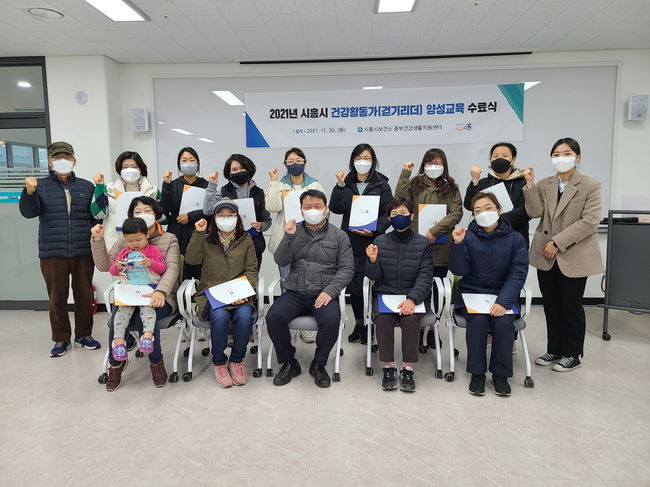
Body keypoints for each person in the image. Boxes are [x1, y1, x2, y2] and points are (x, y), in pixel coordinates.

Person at [523, 138, 603, 372]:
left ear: (578, 157)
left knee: (571, 306)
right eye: (556, 154)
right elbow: (535, 212)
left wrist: (557, 243)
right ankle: (554, 349)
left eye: (566, 153)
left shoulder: (590, 185)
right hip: (545, 255)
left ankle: (572, 354)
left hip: (573, 254)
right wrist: (530, 185)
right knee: (551, 305)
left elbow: (590, 221)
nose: (561, 158)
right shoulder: (545, 184)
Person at [19, 141, 101, 357]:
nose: (62, 161)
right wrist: (28, 191)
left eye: (66, 157)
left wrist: (97, 231)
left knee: (84, 295)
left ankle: (84, 334)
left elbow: (95, 216)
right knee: (57, 297)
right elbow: (28, 213)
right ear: (50, 162)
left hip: (83, 249)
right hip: (52, 250)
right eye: (57, 157)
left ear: (74, 160)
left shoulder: (86, 187)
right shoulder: (39, 186)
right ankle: (61, 338)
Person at [265, 189, 354, 388]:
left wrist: (330, 291)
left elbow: (347, 269)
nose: (312, 210)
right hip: (295, 292)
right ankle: (289, 362)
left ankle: (319, 364)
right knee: (273, 317)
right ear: (301, 210)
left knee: (331, 320)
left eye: (317, 206)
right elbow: (280, 260)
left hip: (323, 292)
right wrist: (288, 237)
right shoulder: (293, 230)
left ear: (326, 209)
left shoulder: (339, 236)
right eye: (308, 207)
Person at [91, 196, 180, 391]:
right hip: (130, 294)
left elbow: (172, 268)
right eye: (137, 212)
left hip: (158, 294)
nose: (143, 214)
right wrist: (98, 240)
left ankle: (156, 362)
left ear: (156, 214)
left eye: (147, 210)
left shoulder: (169, 239)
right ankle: (116, 364)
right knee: (117, 315)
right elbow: (105, 266)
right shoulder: (125, 240)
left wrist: (161, 292)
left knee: (143, 318)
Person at [449, 192, 528, 397]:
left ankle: (501, 375)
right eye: (477, 210)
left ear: (499, 210)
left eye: (488, 208)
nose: (483, 213)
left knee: (503, 323)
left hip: (503, 295)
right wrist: (457, 244)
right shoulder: (467, 236)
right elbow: (459, 270)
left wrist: (503, 302)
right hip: (472, 294)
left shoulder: (516, 238)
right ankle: (477, 373)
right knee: (478, 321)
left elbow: (518, 273)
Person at [185, 200, 258, 388]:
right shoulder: (206, 239)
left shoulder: (245, 239)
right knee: (220, 316)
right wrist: (198, 233)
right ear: (214, 218)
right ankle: (219, 363)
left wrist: (245, 292)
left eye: (230, 215)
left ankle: (236, 361)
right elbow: (192, 260)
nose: (226, 219)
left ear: (237, 218)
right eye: (221, 215)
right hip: (212, 295)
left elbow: (251, 270)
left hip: (239, 294)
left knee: (245, 315)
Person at [395, 148, 463, 347]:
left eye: (438, 163)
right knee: (416, 287)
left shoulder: (451, 187)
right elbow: (399, 200)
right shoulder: (415, 183)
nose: (434, 167)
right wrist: (405, 173)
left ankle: (433, 329)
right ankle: (417, 329)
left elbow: (456, 213)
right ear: (423, 165)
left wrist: (434, 230)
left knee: (437, 290)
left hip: (440, 248)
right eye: (430, 163)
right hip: (415, 245)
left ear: (444, 165)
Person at [364, 198, 433, 393]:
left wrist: (412, 299)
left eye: (403, 213)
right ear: (389, 218)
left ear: (412, 216)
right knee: (383, 318)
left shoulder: (423, 243)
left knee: (410, 320)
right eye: (394, 214)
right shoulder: (380, 241)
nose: (399, 217)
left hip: (413, 296)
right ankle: (388, 367)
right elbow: (373, 277)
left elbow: (425, 276)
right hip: (385, 294)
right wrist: (372, 260)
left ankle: (407, 368)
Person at [329, 143, 393, 345]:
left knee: (372, 285)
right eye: (358, 158)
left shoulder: (382, 184)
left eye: (367, 158)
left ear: (373, 161)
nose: (362, 162)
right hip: (350, 241)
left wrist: (374, 230)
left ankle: (371, 325)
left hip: (373, 242)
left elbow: (388, 213)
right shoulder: (346, 183)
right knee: (355, 287)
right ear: (352, 161)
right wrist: (339, 186)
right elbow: (336, 208)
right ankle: (359, 323)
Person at [265, 147, 325, 344]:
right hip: (287, 240)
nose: (294, 164)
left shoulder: (314, 184)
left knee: (310, 283)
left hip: (311, 240)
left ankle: (307, 328)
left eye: (298, 160)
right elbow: (272, 207)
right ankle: (289, 324)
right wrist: (274, 182)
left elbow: (325, 210)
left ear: (304, 162)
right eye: (290, 161)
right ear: (285, 164)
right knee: (287, 284)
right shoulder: (280, 184)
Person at [108, 217, 167, 361]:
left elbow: (162, 268)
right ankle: (119, 342)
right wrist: (118, 266)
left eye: (138, 239)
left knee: (148, 312)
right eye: (130, 241)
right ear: (125, 238)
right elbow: (112, 271)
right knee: (121, 313)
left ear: (147, 235)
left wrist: (151, 263)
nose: (134, 244)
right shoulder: (124, 253)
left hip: (147, 291)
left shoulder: (153, 251)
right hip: (129, 291)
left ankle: (147, 336)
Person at [203, 154, 271, 269]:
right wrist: (212, 185)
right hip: (229, 246)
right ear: (229, 173)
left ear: (249, 169)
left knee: (251, 277)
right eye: (234, 169)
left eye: (242, 168)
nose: (238, 171)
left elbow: (267, 220)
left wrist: (261, 226)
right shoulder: (224, 191)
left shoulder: (259, 192)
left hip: (254, 244)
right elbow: (208, 210)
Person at [91, 151, 163, 249]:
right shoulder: (107, 189)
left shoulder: (152, 190)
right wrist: (99, 188)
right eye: (125, 167)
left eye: (134, 167)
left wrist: (149, 215)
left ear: (141, 168)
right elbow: (98, 215)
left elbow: (163, 218)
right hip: (114, 240)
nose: (130, 170)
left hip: (146, 241)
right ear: (120, 169)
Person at [463, 142, 531, 246]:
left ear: (513, 159)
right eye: (495, 156)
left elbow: (526, 212)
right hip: (485, 239)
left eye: (505, 155)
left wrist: (495, 219)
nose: (499, 159)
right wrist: (474, 182)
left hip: (515, 239)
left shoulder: (523, 183)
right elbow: (469, 205)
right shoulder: (483, 183)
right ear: (490, 159)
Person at [161, 147, 209, 280]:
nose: (188, 163)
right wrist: (166, 184)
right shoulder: (173, 184)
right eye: (184, 160)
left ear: (198, 163)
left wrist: (190, 216)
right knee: (179, 271)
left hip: (200, 232)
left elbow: (210, 210)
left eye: (191, 160)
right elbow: (167, 208)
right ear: (179, 165)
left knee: (200, 270)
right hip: (177, 232)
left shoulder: (206, 185)